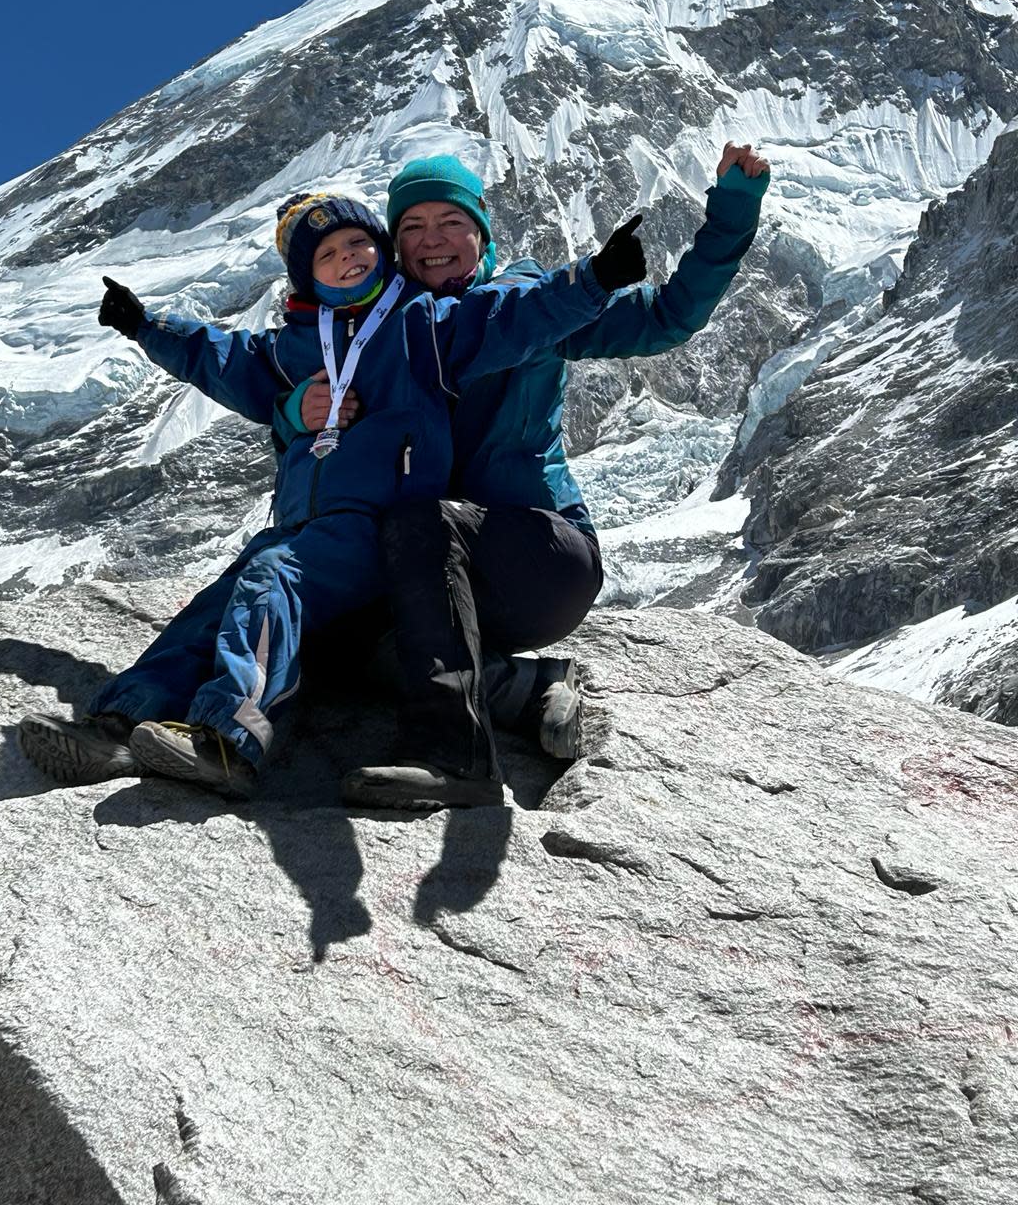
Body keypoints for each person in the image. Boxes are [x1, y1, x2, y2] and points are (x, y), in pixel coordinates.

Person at [18, 188, 642, 801]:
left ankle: (231, 739)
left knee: (272, 579)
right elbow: (220, 359)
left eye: (359, 242)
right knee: (213, 610)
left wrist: (595, 278)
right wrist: (145, 326)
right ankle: (117, 727)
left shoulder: (418, 325)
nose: (349, 257)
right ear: (304, 277)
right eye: (328, 254)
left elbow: (510, 319)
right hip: (302, 526)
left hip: (371, 527)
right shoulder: (291, 347)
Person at [277, 144, 770, 808]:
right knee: (327, 642)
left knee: (421, 520)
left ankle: (455, 759)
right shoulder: (374, 342)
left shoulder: (530, 309)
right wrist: (292, 410)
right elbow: (301, 438)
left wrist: (733, 210)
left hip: (536, 558)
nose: (433, 241)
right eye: (413, 227)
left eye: (450, 222)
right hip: (426, 577)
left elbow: (668, 317)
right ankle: (531, 691)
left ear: (480, 233)